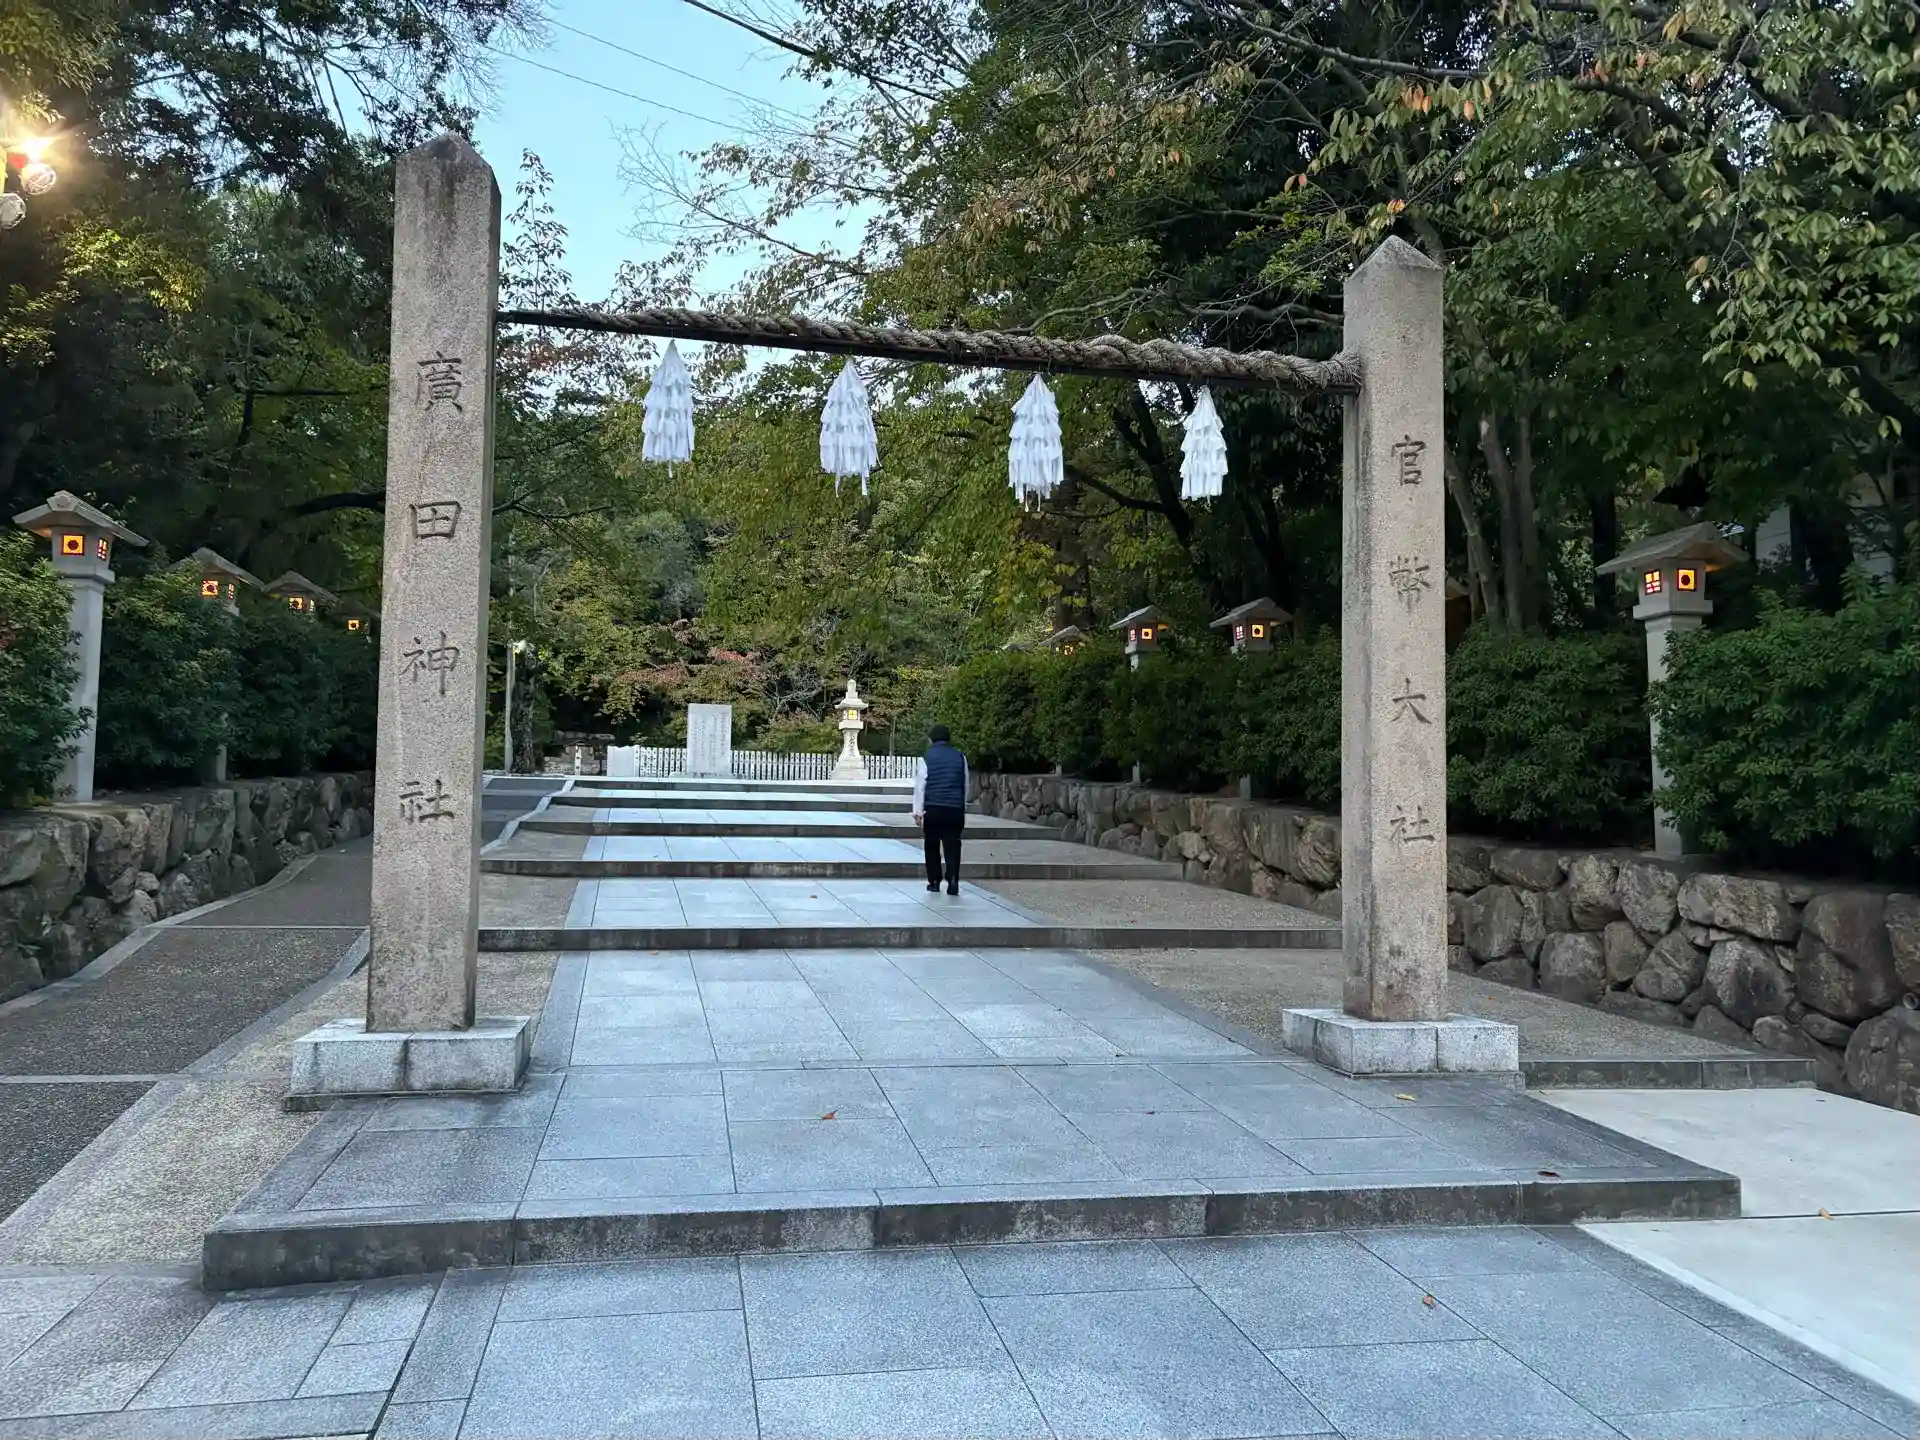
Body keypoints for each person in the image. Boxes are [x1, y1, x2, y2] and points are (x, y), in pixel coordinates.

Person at [911, 724, 969, 895]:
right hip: (955, 808)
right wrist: (962, 805)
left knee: (932, 845)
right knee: (953, 845)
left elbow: (921, 786)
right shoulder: (960, 756)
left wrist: (918, 812)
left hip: (933, 808)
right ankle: (953, 879)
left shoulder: (927, 757)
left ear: (931, 739)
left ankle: (934, 881)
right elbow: (965, 783)